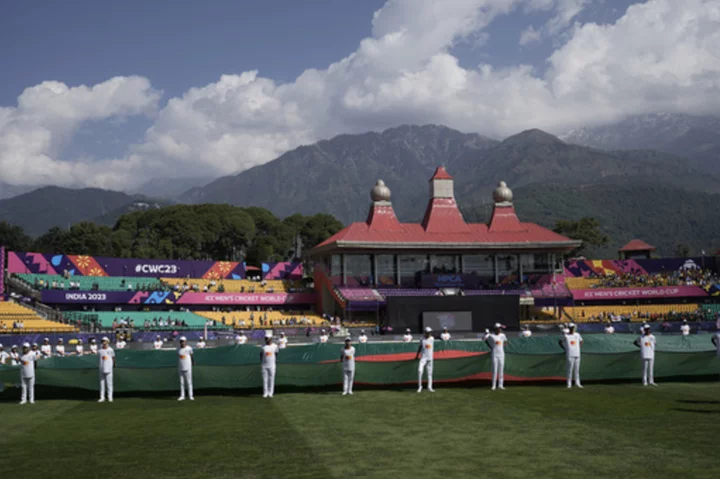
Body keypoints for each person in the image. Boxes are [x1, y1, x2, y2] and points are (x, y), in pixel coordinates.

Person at [558, 323, 583, 388]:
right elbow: (560, 342)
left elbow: (581, 341)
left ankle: (577, 383)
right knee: (569, 369)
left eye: (573, 327)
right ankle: (569, 384)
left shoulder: (577, 335)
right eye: (571, 328)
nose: (572, 329)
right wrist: (565, 348)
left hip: (577, 354)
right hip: (570, 354)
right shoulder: (566, 335)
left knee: (577, 370)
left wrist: (578, 347)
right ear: (569, 328)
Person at [486, 323, 508, 390]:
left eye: (500, 328)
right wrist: (492, 347)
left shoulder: (503, 335)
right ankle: (494, 385)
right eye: (499, 328)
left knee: (501, 369)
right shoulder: (491, 336)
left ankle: (500, 385)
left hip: (501, 354)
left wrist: (502, 346)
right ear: (496, 329)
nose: (500, 330)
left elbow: (506, 342)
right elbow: (487, 341)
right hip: (494, 354)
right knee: (494, 370)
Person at [415, 327, 434, 393]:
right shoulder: (422, 339)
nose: (429, 333)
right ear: (425, 332)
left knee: (429, 374)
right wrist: (417, 355)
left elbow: (428, 346)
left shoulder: (432, 338)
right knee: (419, 371)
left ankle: (429, 387)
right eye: (428, 332)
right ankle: (420, 387)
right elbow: (420, 347)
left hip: (430, 358)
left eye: (430, 332)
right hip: (423, 358)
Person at [260, 334, 278, 398]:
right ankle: (265, 393)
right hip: (264, 365)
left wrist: (274, 362)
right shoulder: (263, 346)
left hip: (272, 365)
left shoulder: (275, 346)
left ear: (270, 339)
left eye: (267, 338)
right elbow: (261, 355)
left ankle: (270, 393)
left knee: (271, 379)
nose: (266, 339)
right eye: (265, 338)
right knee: (265, 380)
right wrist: (262, 363)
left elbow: (276, 354)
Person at [98, 337, 115, 402]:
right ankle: (102, 397)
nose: (103, 342)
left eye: (105, 341)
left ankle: (110, 397)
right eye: (102, 341)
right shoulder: (100, 350)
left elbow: (113, 358)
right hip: (101, 368)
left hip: (109, 369)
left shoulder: (111, 350)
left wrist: (113, 365)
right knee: (101, 384)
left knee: (109, 384)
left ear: (108, 342)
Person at [177, 336, 194, 401]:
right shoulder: (178, 349)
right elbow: (180, 357)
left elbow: (192, 356)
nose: (182, 342)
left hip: (188, 367)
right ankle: (182, 396)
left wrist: (193, 362)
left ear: (185, 341)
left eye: (183, 341)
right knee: (181, 382)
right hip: (180, 367)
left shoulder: (189, 348)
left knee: (189, 382)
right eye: (181, 341)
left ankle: (190, 396)